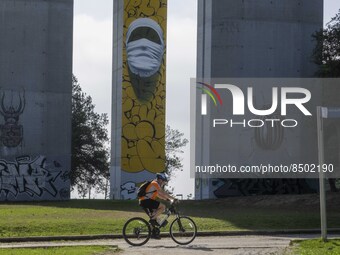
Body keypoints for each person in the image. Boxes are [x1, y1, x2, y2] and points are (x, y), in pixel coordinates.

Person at [139, 172, 177, 238]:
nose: (163, 183)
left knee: (155, 216)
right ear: (159, 179)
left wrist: (168, 200)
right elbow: (163, 192)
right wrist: (173, 198)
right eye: (163, 181)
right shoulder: (155, 183)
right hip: (146, 201)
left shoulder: (154, 185)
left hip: (145, 201)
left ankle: (153, 234)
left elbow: (159, 195)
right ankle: (153, 220)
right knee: (162, 207)